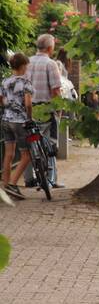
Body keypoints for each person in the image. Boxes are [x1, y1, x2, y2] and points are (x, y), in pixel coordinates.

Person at [25, 34, 62, 187]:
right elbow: (56, 90)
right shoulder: (50, 64)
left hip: (28, 108)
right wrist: (58, 108)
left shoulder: (27, 62)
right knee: (50, 144)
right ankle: (50, 179)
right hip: (46, 109)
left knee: (30, 143)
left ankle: (29, 179)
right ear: (49, 48)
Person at [1, 53, 34, 201]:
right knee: (27, 155)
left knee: (9, 154)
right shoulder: (26, 82)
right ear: (22, 66)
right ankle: (13, 185)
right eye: (26, 65)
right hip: (20, 122)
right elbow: (28, 103)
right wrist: (29, 118)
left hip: (6, 120)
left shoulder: (4, 82)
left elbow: (1, 100)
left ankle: (5, 185)